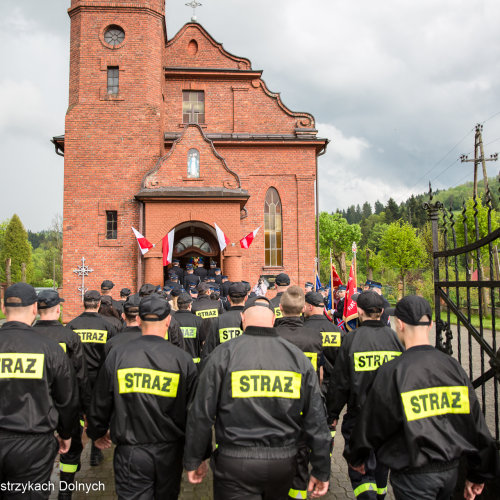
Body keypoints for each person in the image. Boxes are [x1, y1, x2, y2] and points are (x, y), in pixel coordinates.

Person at [345, 295, 500, 499]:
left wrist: (358, 456)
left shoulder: (393, 371)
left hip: (412, 475)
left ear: (399, 324)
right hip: (450, 472)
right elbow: (476, 424)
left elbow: (373, 423)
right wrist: (479, 473)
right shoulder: (453, 368)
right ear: (430, 324)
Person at [183, 299, 331, 499]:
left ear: (243, 320)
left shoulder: (222, 355)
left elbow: (201, 413)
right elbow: (316, 417)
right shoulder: (297, 358)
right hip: (284, 460)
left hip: (234, 462)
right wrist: (321, 467)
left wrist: (197, 457)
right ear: (273, 321)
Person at [87, 294, 198, 500]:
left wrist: (97, 432)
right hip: (170, 451)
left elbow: (101, 400)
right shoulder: (182, 360)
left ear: (138, 320)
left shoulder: (118, 355)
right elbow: (195, 412)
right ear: (169, 320)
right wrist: (197, 455)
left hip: (131, 451)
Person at [0, 283, 78, 499]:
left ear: (3, 308)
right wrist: (65, 433)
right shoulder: (50, 349)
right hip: (32, 444)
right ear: (34, 308)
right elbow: (66, 399)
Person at [326, 290, 404, 499]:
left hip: (359, 418)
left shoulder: (352, 339)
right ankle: (380, 494)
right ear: (381, 311)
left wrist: (332, 414)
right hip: (389, 418)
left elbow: (340, 382)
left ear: (359, 311)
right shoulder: (395, 339)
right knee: (381, 464)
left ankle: (368, 494)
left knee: (360, 470)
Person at [33, 290, 89, 499]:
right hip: (67, 403)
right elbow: (80, 376)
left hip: (36, 405)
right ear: (58, 309)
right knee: (71, 451)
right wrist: (86, 409)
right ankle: (65, 491)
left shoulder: (29, 336)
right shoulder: (69, 336)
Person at [275, 286, 324, 499]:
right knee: (300, 465)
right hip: (304, 406)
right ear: (303, 308)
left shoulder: (272, 335)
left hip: (276, 405)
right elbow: (319, 375)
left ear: (280, 308)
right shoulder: (314, 337)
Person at [67, 289, 115, 466]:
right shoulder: (108, 326)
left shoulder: (71, 326)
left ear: (83, 303)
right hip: (99, 376)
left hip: (77, 377)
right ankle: (95, 452)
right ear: (100, 304)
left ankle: (73, 453)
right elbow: (111, 354)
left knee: (77, 414)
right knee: (98, 413)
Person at [303, 291, 343, 390]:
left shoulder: (302, 330)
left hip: (309, 384)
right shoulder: (338, 332)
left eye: (304, 306)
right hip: (333, 385)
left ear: (310, 307)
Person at [201, 282, 248, 358]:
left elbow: (208, 352)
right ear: (246, 298)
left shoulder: (219, 320)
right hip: (246, 365)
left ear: (228, 298)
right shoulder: (252, 319)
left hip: (223, 365)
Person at [173, 292, 204, 366]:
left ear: (177, 305)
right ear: (190, 305)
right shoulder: (198, 320)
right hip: (194, 364)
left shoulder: (171, 319)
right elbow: (203, 343)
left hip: (176, 364)